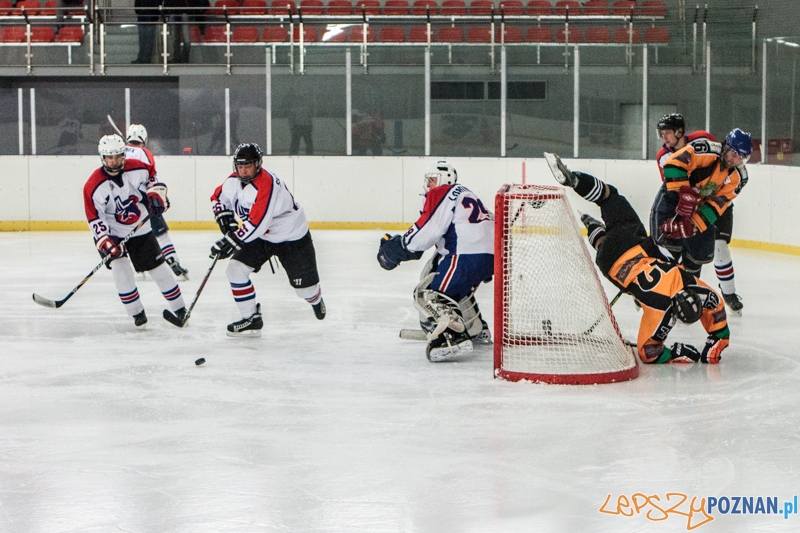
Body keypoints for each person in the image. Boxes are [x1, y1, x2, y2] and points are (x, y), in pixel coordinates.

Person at [545, 152, 729, 364]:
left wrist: (720, 337)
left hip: (633, 241)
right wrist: (676, 352)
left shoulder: (687, 281)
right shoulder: (660, 313)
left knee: (609, 197)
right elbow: (648, 352)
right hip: (614, 262)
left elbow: (714, 303)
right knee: (602, 244)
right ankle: (593, 227)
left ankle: (574, 179)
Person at [377, 161, 494, 362]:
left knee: (429, 293)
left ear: (444, 179)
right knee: (445, 280)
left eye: (432, 179)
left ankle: (452, 336)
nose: (428, 184)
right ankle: (475, 328)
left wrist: (398, 248)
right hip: (489, 254)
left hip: (466, 254)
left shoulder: (442, 193)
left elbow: (425, 234)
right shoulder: (465, 193)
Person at [209, 143, 325, 337]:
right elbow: (217, 198)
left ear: (258, 164)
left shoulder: (267, 184)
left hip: (291, 236)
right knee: (235, 270)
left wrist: (230, 241)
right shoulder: (233, 182)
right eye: (240, 166)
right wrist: (226, 220)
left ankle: (315, 298)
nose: (243, 171)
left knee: (304, 290)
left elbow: (257, 223)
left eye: (248, 166)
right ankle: (251, 318)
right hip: (261, 237)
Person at [84, 134, 187, 327]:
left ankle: (180, 309)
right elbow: (94, 217)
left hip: (138, 228)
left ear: (123, 154)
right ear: (102, 157)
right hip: (112, 233)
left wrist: (157, 197)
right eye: (109, 157)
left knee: (158, 269)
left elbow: (154, 182)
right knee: (120, 270)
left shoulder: (139, 168)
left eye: (117, 156)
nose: (114, 161)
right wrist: (107, 241)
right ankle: (137, 313)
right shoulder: (93, 186)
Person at [654, 113, 748, 315]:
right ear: (726, 146)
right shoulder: (703, 150)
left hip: (706, 205)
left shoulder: (739, 176)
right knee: (669, 248)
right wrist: (683, 198)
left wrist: (693, 224)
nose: (735, 159)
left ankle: (724, 293)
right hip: (682, 199)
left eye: (741, 156)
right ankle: (656, 289)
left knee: (709, 250)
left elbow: (717, 204)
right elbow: (672, 168)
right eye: (733, 153)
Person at [124, 123, 190, 280]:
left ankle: (138, 269)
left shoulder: (119, 152)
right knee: (160, 233)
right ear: (144, 139)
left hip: (124, 202)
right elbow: (151, 178)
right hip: (143, 199)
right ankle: (173, 262)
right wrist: (160, 196)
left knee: (130, 235)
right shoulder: (145, 153)